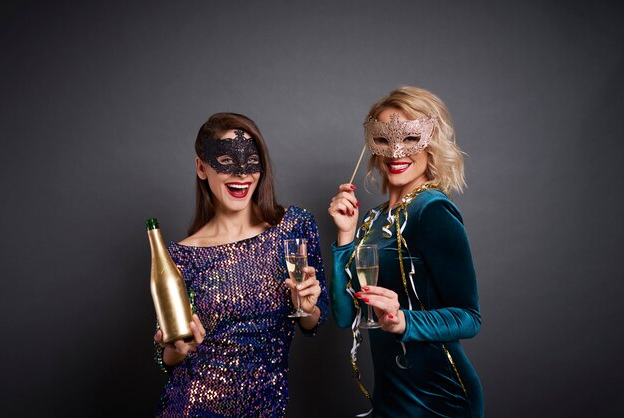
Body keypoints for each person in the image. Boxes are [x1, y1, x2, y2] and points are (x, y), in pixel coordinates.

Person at [153, 112, 328, 417]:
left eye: (251, 163)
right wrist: (175, 349)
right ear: (202, 167)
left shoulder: (293, 228)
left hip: (265, 408)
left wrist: (309, 307)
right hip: (192, 407)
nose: (241, 175)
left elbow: (313, 320)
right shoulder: (182, 256)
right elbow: (167, 353)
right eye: (226, 161)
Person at [328, 86, 483, 417]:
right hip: (390, 395)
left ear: (432, 142)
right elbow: (344, 317)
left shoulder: (433, 210)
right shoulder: (374, 219)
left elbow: (470, 318)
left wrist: (403, 322)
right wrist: (345, 237)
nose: (396, 151)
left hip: (438, 397)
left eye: (411, 138)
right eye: (384, 139)